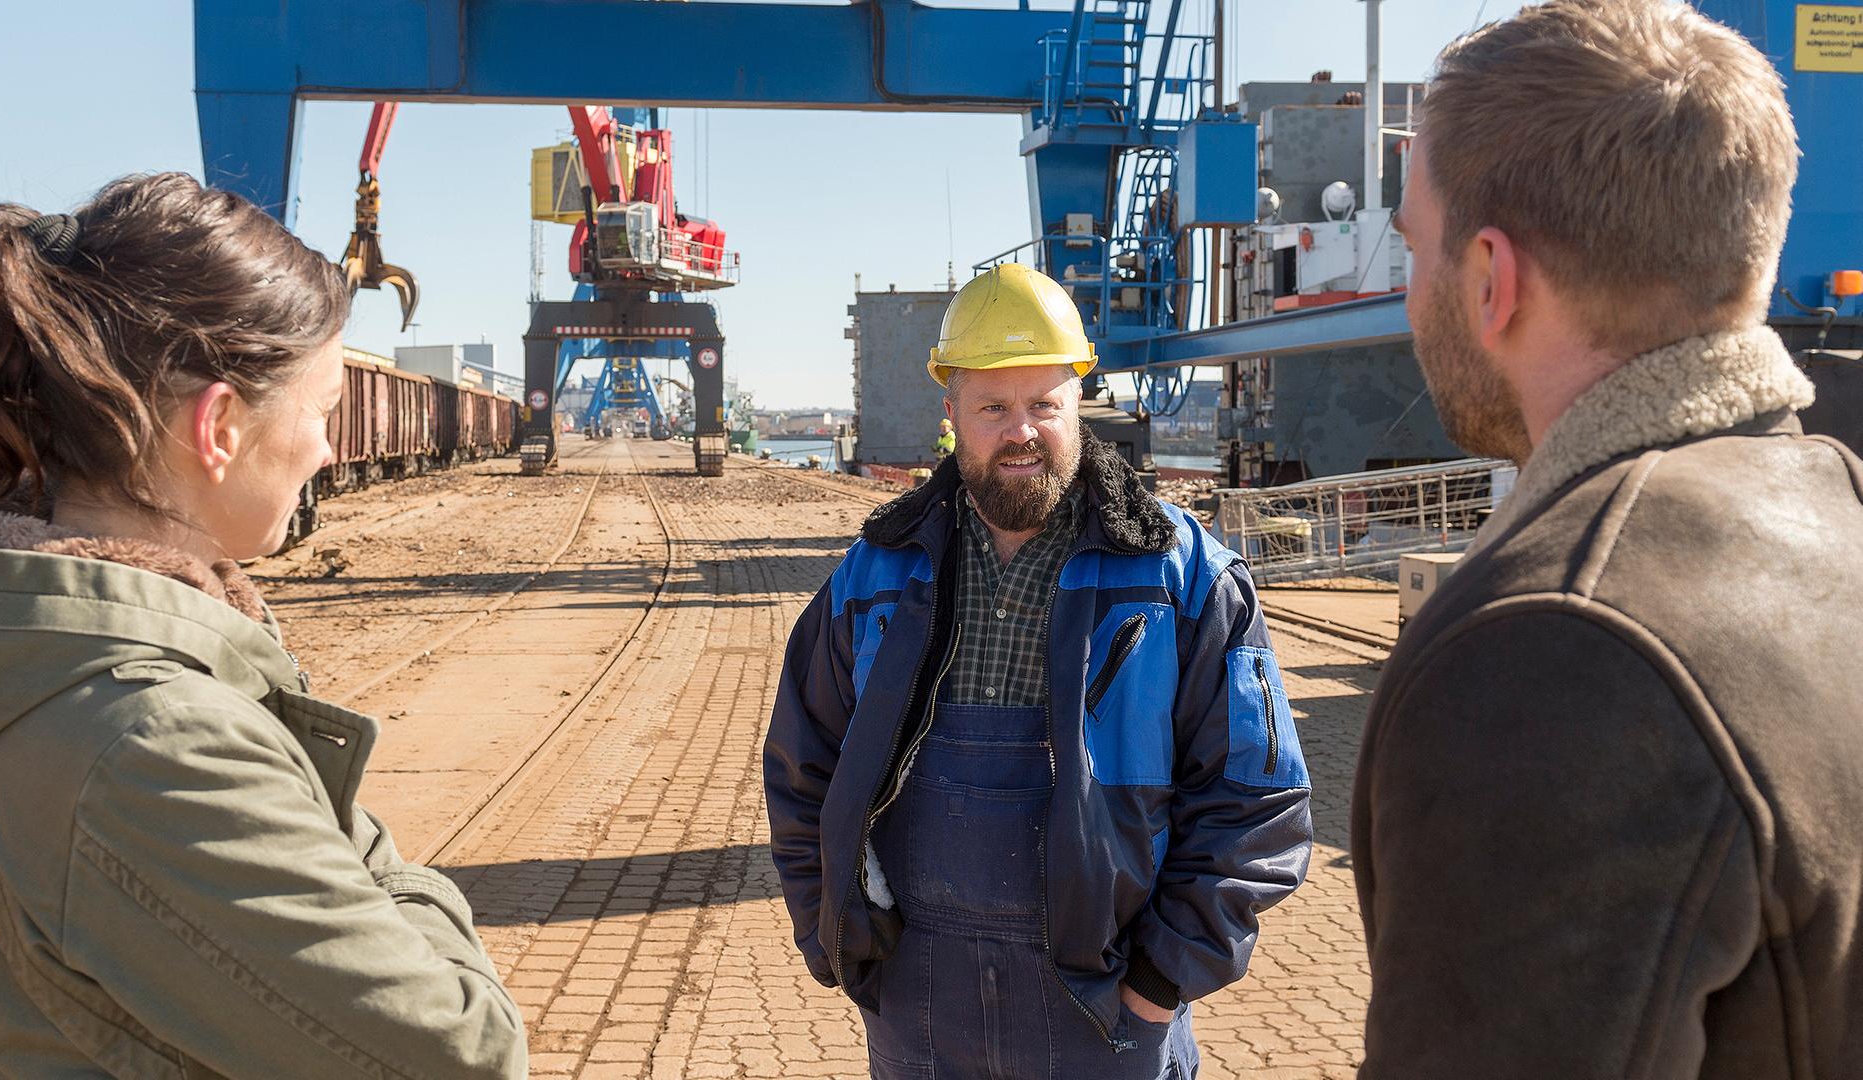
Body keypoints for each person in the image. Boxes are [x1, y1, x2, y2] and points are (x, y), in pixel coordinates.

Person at [1355, 1, 1863, 1075]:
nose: (1410, 296)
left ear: (1491, 279)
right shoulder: (1838, 509)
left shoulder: (1554, 646)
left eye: (1415, 248)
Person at [0, 173, 528, 1078]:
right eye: (322, 410)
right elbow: (463, 1054)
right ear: (218, 427)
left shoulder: (8, 649)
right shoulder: (154, 743)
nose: (329, 450)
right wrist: (374, 861)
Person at [765, 263, 1312, 1079]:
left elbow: (1257, 802)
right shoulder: (874, 577)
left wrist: (1161, 984)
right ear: (950, 412)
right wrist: (835, 933)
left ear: (1078, 406)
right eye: (992, 407)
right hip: (917, 1013)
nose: (1021, 431)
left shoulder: (1182, 578)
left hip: (1110, 1016)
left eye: (1043, 405)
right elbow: (800, 770)